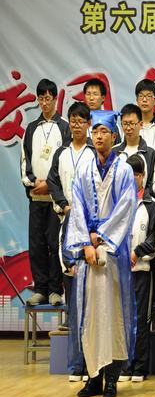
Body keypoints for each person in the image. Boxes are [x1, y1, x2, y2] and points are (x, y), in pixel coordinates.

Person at [64, 109, 137, 397]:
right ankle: (93, 376)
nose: (98, 136)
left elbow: (126, 208)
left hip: (112, 254)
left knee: (113, 315)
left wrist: (101, 238)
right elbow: (77, 209)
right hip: (88, 254)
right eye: (95, 131)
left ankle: (112, 378)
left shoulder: (124, 170)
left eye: (104, 131)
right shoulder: (84, 170)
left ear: (114, 136)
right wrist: (85, 244)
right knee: (90, 316)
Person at [47, 102, 95, 381]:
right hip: (67, 220)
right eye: (73, 121)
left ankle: (92, 364)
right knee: (75, 310)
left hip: (91, 224)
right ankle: (76, 365)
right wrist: (65, 205)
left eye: (81, 121)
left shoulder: (94, 153)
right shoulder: (62, 153)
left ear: (89, 124)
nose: (77, 125)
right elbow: (53, 182)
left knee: (94, 311)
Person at [21, 78, 71, 306]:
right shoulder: (31, 128)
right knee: (37, 245)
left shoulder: (65, 127)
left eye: (48, 98)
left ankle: (55, 290)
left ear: (55, 99)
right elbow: (25, 161)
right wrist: (33, 182)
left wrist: (51, 186)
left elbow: (67, 162)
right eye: (41, 98)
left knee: (54, 244)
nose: (44, 103)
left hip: (55, 200)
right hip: (36, 198)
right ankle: (40, 288)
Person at [117, 154, 155, 383]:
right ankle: (125, 365)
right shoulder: (118, 203)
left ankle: (140, 367)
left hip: (142, 269)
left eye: (136, 174)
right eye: (128, 174)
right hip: (121, 270)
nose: (133, 178)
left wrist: (137, 252)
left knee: (141, 319)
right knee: (123, 319)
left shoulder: (152, 205)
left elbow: (154, 236)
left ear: (142, 176)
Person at [113, 104, 155, 194]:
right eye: (125, 124)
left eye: (132, 123)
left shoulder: (150, 152)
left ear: (141, 124)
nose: (128, 128)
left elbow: (152, 183)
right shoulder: (114, 152)